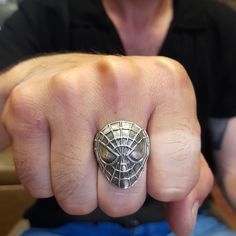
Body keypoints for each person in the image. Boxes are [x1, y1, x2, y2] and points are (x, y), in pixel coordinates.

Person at [0, 0, 236, 235]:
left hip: (188, 220)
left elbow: (232, 163)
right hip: (65, 222)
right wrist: (26, 76)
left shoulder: (220, 23)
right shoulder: (45, 12)